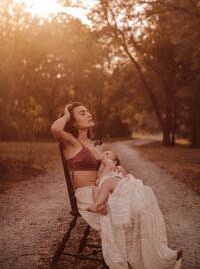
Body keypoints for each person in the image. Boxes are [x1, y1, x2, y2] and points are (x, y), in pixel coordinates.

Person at [51, 102, 182, 269]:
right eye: (83, 113)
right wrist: (67, 114)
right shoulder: (71, 142)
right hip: (87, 195)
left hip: (100, 190)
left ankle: (157, 256)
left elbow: (107, 164)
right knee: (128, 206)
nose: (89, 114)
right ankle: (140, 258)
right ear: (74, 122)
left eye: (88, 111)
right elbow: (55, 129)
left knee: (140, 201)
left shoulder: (90, 144)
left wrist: (116, 166)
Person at [86, 150, 125, 215]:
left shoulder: (107, 161)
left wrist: (100, 178)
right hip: (104, 182)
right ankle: (101, 206)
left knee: (105, 185)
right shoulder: (101, 164)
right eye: (102, 153)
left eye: (107, 154)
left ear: (115, 162)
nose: (103, 155)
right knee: (95, 189)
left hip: (110, 180)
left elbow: (108, 167)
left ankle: (96, 205)